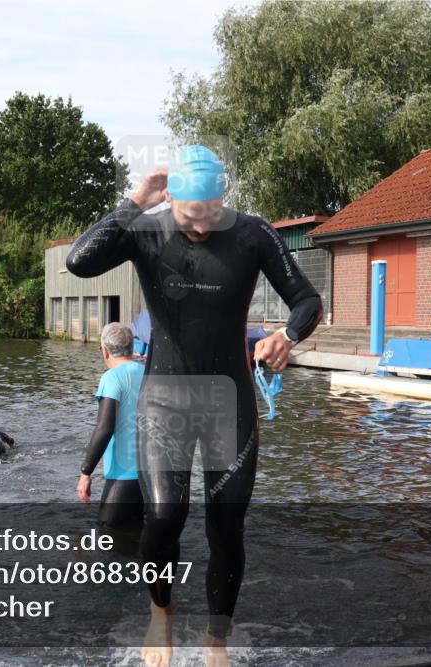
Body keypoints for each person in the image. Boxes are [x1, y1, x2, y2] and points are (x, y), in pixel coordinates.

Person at [66, 145, 322, 667]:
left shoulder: (252, 234)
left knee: (227, 524)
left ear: (222, 199)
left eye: (207, 216)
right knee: (163, 515)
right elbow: (79, 262)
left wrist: (286, 335)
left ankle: (216, 640)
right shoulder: (147, 229)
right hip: (165, 398)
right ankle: (161, 613)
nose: (199, 228)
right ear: (171, 201)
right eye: (188, 216)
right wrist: (134, 200)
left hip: (229, 399)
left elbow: (307, 299)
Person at [76, 322, 145, 544]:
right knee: (140, 544)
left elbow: (104, 429)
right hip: (154, 478)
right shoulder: (149, 372)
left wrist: (86, 473)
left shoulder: (111, 378)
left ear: (104, 351)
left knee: (107, 544)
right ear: (131, 347)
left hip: (124, 477)